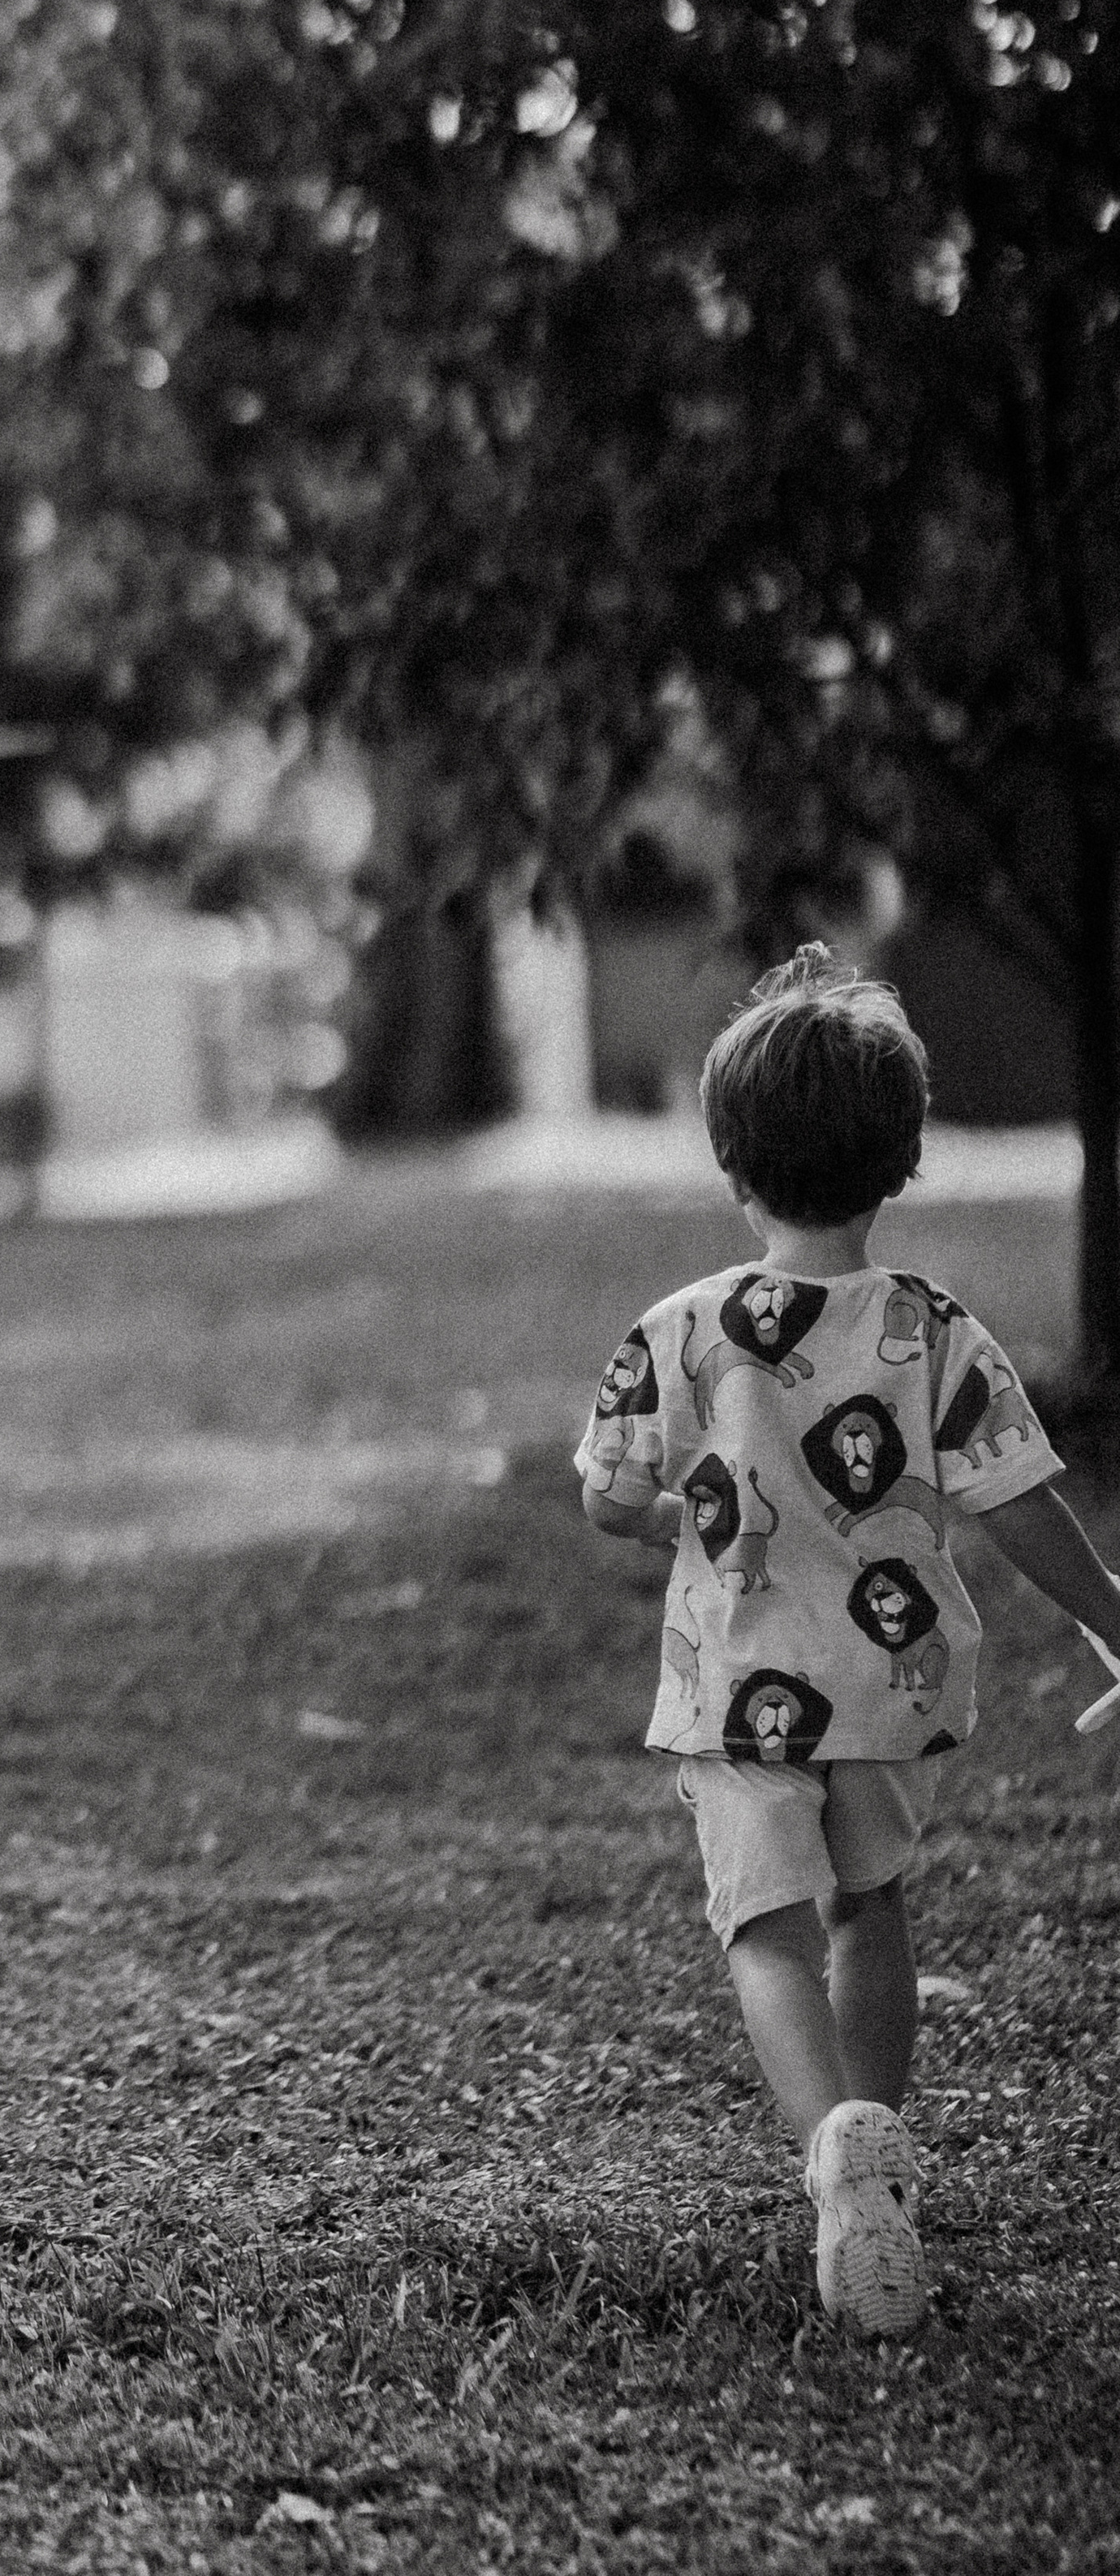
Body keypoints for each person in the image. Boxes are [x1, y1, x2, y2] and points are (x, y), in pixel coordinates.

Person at [575, 943, 1120, 2336]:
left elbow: (610, 1497)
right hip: (890, 1684)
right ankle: (877, 2134)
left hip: (739, 1689)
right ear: (903, 1159)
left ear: (731, 1160)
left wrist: (696, 1511)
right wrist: (1116, 1624)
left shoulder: (683, 1332)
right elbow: (1018, 1500)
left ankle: (834, 2152)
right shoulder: (934, 1330)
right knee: (866, 1907)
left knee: (763, 1926)